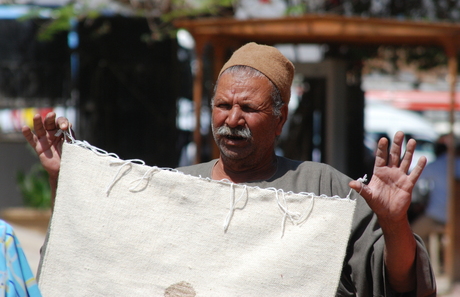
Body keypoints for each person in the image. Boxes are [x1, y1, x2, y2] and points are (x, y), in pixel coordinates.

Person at [22, 42, 436, 296]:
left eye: (249, 108)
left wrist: (394, 221)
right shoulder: (179, 186)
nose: (232, 119)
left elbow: (397, 283)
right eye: (223, 105)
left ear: (280, 118)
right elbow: (95, 258)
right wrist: (63, 177)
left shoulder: (323, 188)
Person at [412, 135, 460, 248]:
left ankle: (428, 259)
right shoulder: (454, 163)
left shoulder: (436, 164)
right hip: (456, 216)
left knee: (411, 235)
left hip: (437, 215)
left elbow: (415, 181)